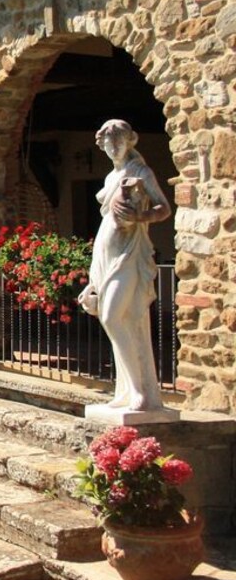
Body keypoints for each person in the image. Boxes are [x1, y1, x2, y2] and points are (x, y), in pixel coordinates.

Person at [77, 119, 171, 411]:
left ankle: (141, 390)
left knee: (112, 317)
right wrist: (92, 281)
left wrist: (141, 217)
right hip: (105, 255)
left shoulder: (141, 172)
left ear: (131, 141)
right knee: (123, 319)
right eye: (109, 143)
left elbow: (163, 208)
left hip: (129, 254)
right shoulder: (110, 178)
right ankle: (128, 391)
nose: (113, 148)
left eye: (119, 142)